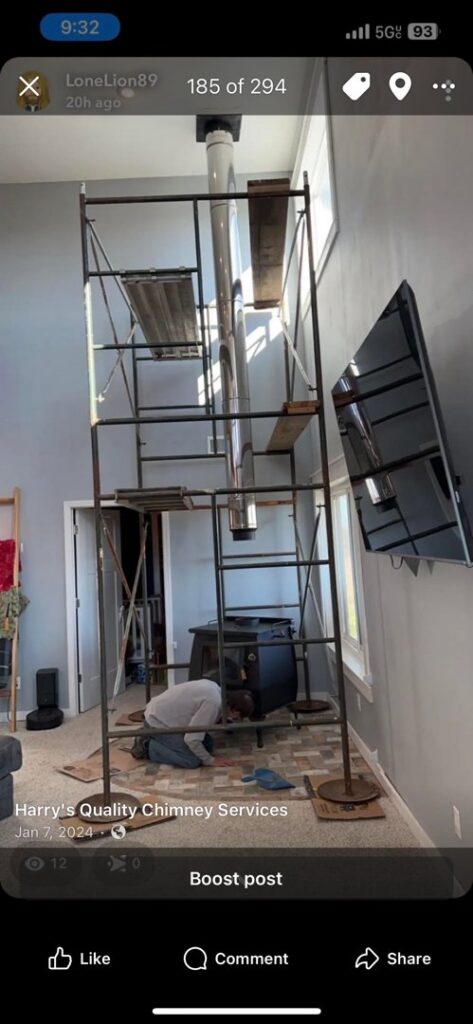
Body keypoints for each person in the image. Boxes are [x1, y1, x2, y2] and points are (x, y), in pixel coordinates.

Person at [132, 678, 254, 769]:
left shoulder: (216, 689)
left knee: (208, 745)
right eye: (238, 717)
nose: (236, 720)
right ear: (234, 709)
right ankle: (147, 746)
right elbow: (191, 739)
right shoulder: (213, 704)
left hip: (163, 714)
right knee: (192, 760)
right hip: (156, 721)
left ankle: (155, 739)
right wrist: (210, 761)